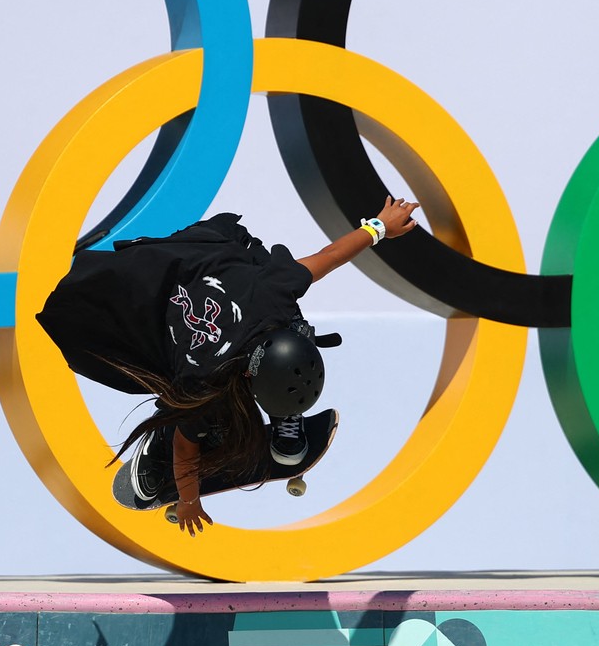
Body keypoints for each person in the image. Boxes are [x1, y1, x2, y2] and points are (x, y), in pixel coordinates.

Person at [37, 195, 421, 535]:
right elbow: (186, 454)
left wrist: (379, 227)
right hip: (152, 300)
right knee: (190, 405)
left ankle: (285, 412)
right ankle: (165, 430)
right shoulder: (201, 380)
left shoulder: (275, 291)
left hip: (213, 268)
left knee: (296, 324)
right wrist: (189, 501)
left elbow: (330, 256)